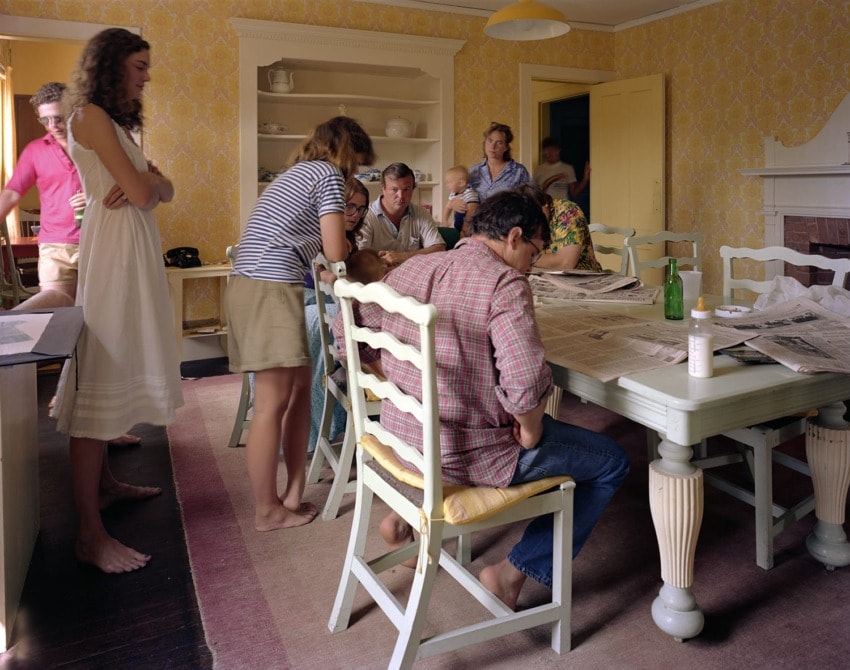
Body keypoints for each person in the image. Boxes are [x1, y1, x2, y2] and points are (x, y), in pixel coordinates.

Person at [334, 189, 629, 610]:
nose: (532, 264)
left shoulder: (412, 270)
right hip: (464, 453)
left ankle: (410, 515)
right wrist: (529, 427)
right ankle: (509, 576)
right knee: (612, 462)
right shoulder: (503, 282)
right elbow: (525, 386)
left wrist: (397, 379)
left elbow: (348, 338)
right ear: (513, 237)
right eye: (535, 251)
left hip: (399, 435)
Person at [51, 28, 183, 573]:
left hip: (131, 253)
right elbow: (145, 193)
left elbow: (162, 190)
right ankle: (89, 534)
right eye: (139, 66)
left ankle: (104, 486)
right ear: (111, 65)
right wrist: (146, 185)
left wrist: (148, 184)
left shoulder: (114, 122)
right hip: (114, 259)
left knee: (116, 362)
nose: (147, 76)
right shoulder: (90, 117)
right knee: (98, 377)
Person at [226, 116, 375, 533]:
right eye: (359, 165)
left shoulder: (297, 173)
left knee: (298, 390)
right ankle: (266, 509)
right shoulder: (328, 175)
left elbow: (313, 249)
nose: (357, 175)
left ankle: (291, 494)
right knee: (272, 403)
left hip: (264, 285)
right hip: (267, 288)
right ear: (347, 152)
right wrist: (349, 249)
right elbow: (334, 250)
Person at [0, 82, 84, 300]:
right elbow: (11, 193)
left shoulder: (98, 145)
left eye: (58, 117)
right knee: (57, 315)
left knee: (100, 317)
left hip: (99, 241)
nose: (52, 125)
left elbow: (122, 186)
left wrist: (96, 197)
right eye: (44, 119)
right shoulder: (35, 151)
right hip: (55, 248)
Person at [356, 162, 445, 267]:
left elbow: (439, 248)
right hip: (379, 279)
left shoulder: (421, 213)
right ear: (383, 189)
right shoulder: (366, 216)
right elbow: (360, 257)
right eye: (394, 190)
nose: (401, 196)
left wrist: (403, 257)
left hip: (413, 277)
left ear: (413, 189)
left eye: (406, 189)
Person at [520, 185, 602, 272]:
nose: (534, 223)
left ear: (544, 203)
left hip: (580, 278)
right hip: (545, 276)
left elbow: (566, 263)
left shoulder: (567, 210)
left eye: (535, 215)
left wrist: (528, 258)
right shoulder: (522, 223)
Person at [461, 122, 531, 207]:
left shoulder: (518, 171)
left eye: (499, 143)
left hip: (508, 219)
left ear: (506, 147)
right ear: (485, 143)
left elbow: (530, 200)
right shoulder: (474, 171)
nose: (492, 146)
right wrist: (453, 203)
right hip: (478, 219)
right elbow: (461, 195)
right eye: (490, 141)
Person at [532, 136, 590, 204]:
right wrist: (554, 178)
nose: (549, 153)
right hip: (546, 208)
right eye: (546, 150)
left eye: (552, 150)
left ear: (558, 150)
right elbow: (535, 194)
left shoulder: (567, 168)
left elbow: (574, 193)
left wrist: (585, 179)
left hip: (563, 208)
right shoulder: (538, 170)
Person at [442, 165, 478, 236]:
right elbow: (448, 207)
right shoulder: (453, 194)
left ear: (461, 183)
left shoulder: (470, 193)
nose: (447, 185)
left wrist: (466, 224)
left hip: (470, 224)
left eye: (449, 182)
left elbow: (472, 209)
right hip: (458, 223)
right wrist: (444, 221)